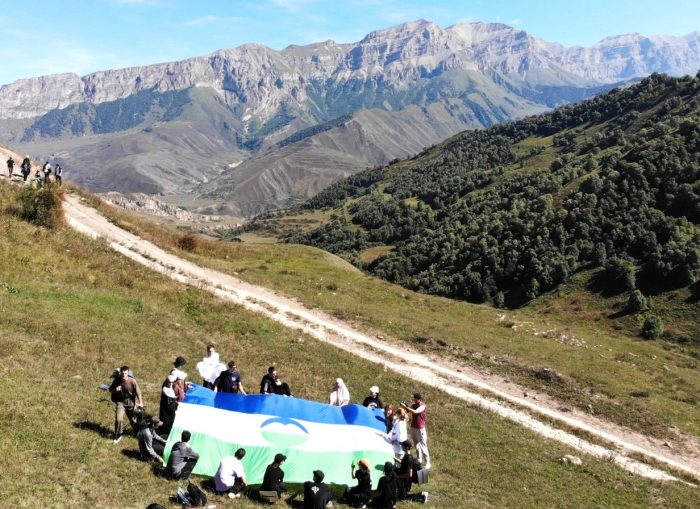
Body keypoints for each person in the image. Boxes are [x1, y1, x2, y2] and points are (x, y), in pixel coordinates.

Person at [108, 365, 144, 444]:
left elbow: (139, 393)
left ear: (128, 373)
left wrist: (141, 403)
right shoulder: (117, 380)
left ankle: (138, 433)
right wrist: (115, 390)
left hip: (130, 403)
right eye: (122, 373)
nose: (124, 375)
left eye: (125, 373)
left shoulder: (132, 381)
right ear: (120, 373)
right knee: (118, 419)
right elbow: (110, 390)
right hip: (120, 403)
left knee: (133, 421)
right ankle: (118, 434)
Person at [401, 393, 431, 469]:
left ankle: (428, 462)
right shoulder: (413, 405)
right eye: (414, 398)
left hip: (420, 428)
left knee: (423, 445)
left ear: (419, 399)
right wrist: (405, 407)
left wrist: (407, 407)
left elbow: (415, 412)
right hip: (413, 427)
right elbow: (409, 410)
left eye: (415, 399)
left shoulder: (423, 406)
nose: (414, 400)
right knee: (416, 444)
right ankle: (419, 459)